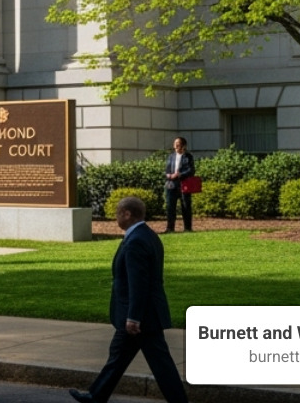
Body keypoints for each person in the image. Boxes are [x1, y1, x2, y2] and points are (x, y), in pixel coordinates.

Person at [69, 196, 188, 403]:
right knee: (119, 357)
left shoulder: (136, 241)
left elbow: (138, 283)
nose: (115, 217)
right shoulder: (147, 235)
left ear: (127, 214)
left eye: (117, 213)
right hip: (143, 314)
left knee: (160, 364)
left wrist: (133, 317)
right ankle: (96, 396)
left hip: (140, 317)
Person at [163, 136, 195, 234]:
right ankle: (170, 228)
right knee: (170, 207)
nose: (176, 145)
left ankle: (187, 228)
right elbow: (167, 169)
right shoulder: (171, 156)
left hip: (183, 184)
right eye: (175, 143)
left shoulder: (188, 156)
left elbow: (191, 170)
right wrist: (168, 174)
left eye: (178, 143)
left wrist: (179, 174)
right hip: (171, 185)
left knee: (185, 206)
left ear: (183, 145)